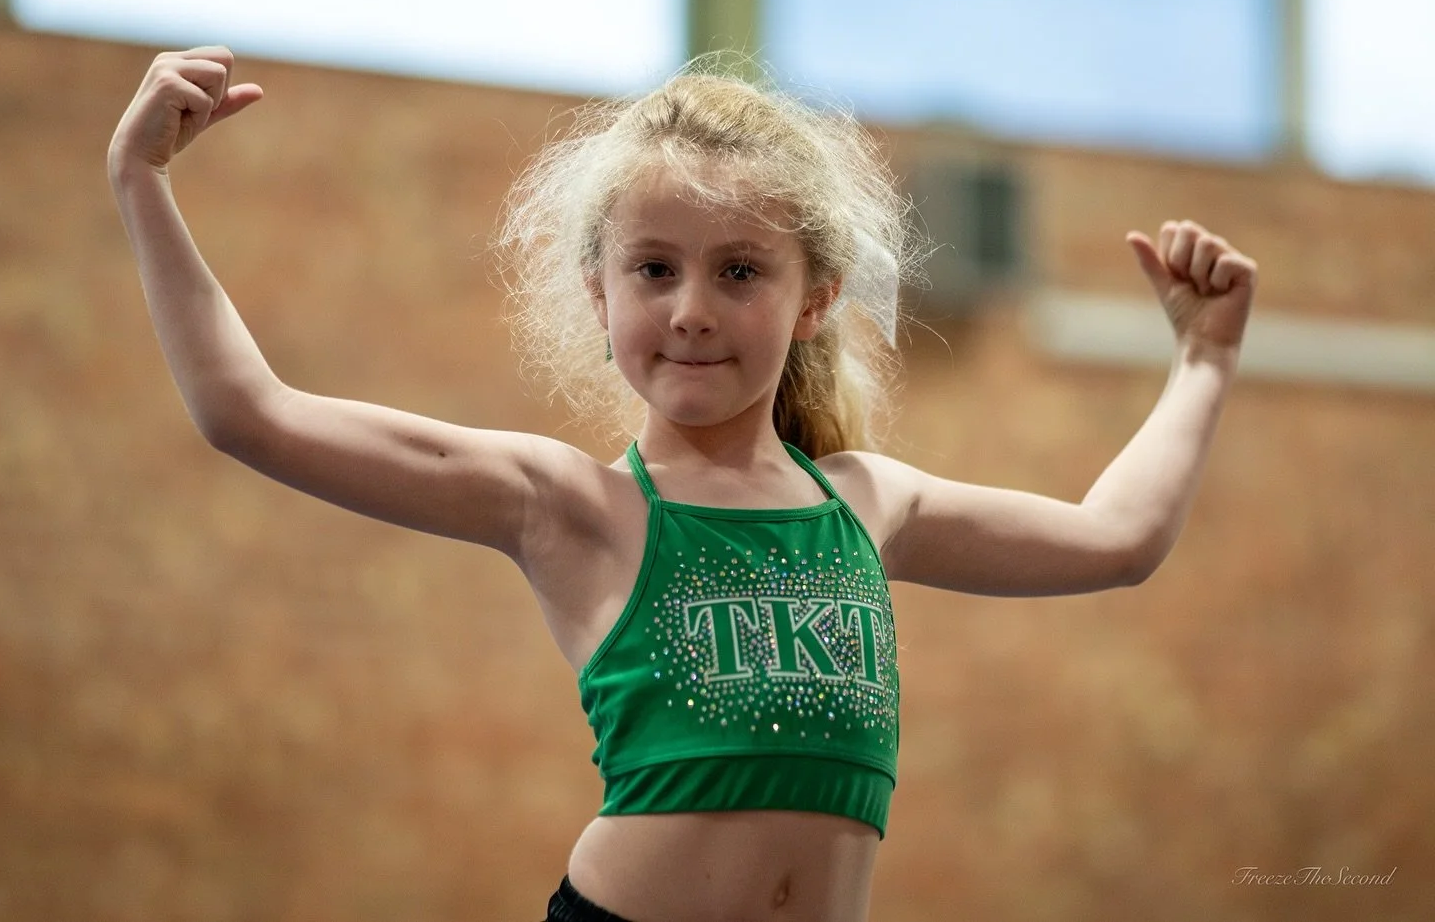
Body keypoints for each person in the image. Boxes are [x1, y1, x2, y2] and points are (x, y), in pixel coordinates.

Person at [108, 46, 1258, 922]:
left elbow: (1118, 537)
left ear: (814, 298)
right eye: (653, 269)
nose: (692, 308)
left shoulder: (867, 505)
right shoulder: (566, 505)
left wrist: (1203, 357)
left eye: (741, 270)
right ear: (601, 293)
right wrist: (142, 183)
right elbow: (251, 413)